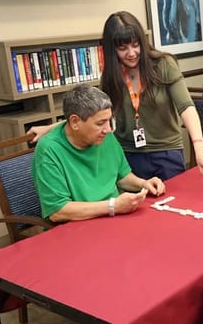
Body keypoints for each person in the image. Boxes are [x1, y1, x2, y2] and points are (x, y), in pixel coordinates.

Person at [28, 11, 203, 181]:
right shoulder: (111, 76)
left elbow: (186, 107)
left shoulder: (164, 64)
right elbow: (95, 116)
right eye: (123, 48)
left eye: (136, 45)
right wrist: (50, 128)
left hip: (166, 152)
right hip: (127, 155)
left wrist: (199, 146)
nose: (132, 53)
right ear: (112, 49)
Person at [31, 84, 166, 223]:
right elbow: (58, 211)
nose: (108, 129)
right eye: (100, 123)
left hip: (113, 217)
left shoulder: (104, 136)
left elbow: (122, 176)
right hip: (79, 225)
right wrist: (113, 206)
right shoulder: (49, 150)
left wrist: (143, 184)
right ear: (75, 122)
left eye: (109, 120)